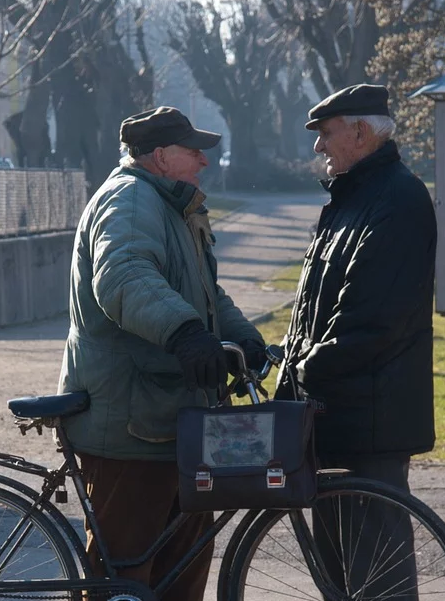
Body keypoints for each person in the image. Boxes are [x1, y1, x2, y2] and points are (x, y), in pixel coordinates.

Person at [57, 106, 266, 600]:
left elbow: (205, 296)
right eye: (194, 151)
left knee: (182, 572)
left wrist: (245, 340)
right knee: (124, 578)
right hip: (131, 425)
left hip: (173, 420)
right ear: (160, 156)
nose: (204, 161)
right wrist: (187, 335)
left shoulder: (173, 206)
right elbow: (124, 279)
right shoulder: (130, 201)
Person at [275, 84, 437, 598]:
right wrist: (288, 362)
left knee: (376, 581)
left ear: (361, 133)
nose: (319, 147)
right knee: (340, 577)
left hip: (370, 423)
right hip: (335, 417)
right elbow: (315, 311)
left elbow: (370, 321)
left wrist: (301, 370)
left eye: (326, 133)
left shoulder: (398, 200)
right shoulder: (351, 199)